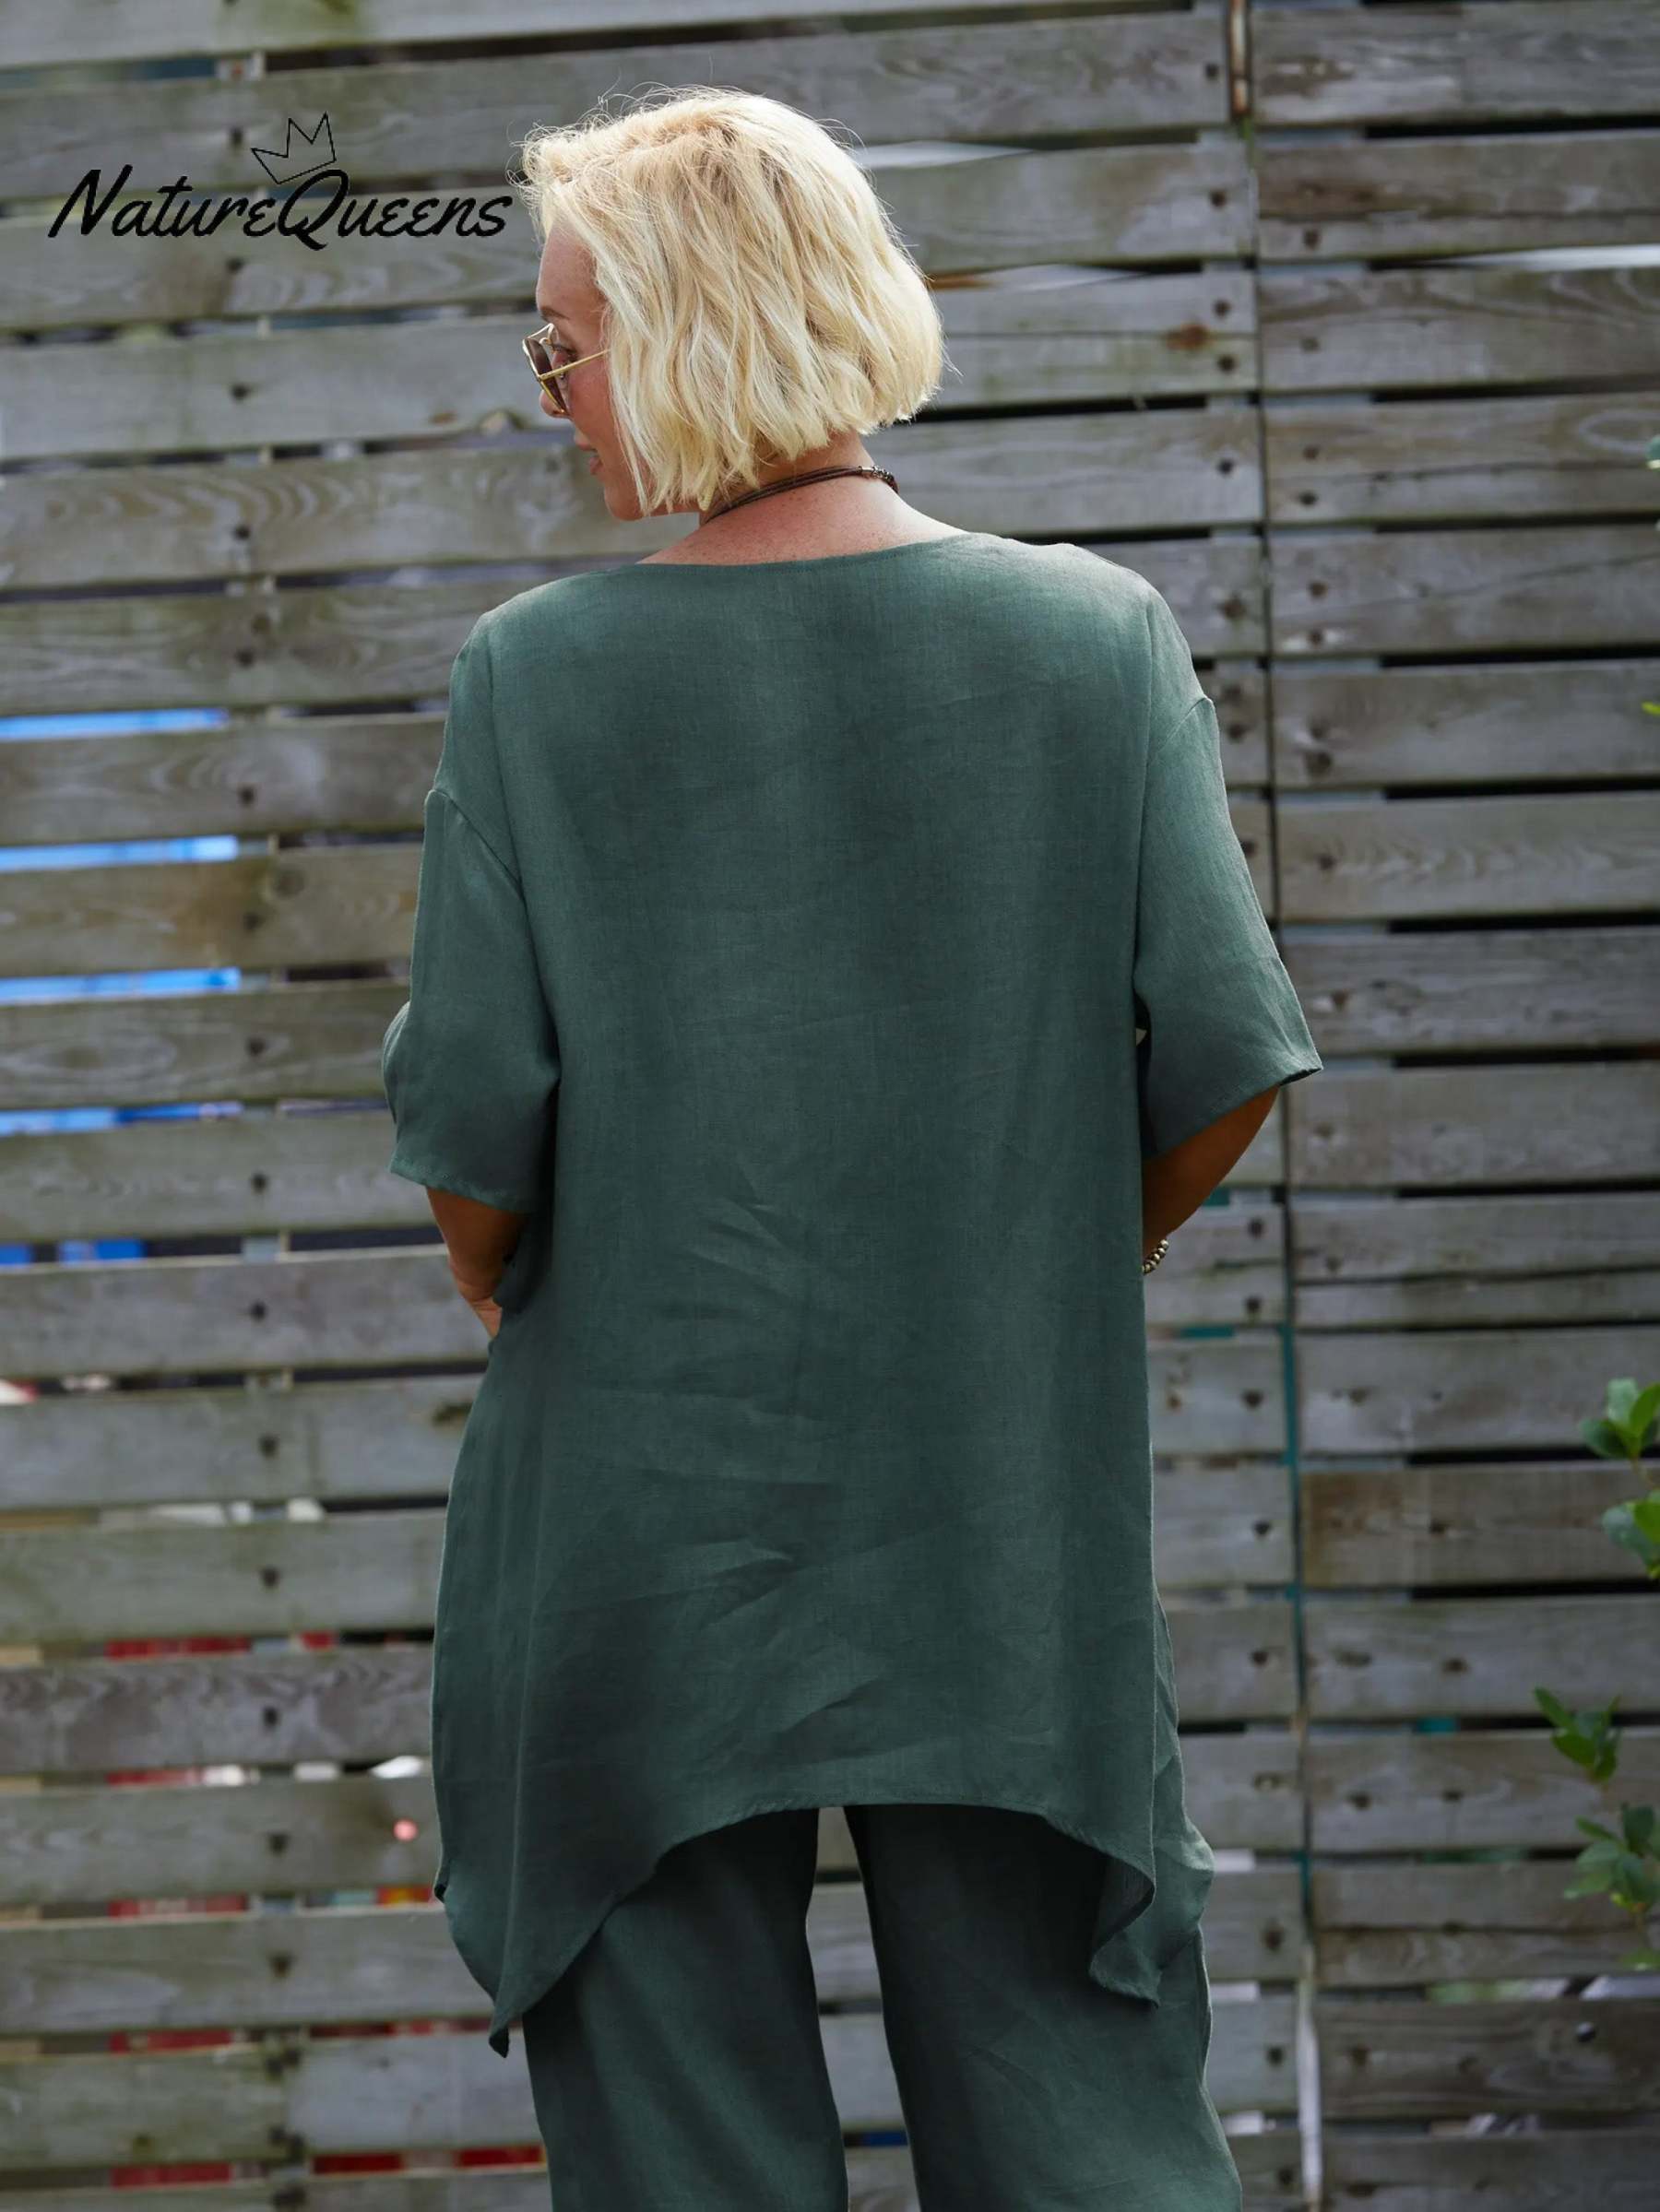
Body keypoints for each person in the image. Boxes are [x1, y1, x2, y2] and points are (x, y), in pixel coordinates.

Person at [381, 86, 1322, 2211]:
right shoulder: (1093, 646)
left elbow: (479, 1159)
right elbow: (1227, 1066)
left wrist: (548, 1279)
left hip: (633, 1538)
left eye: (564, 341)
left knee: (685, 2158)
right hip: (1000, 1524)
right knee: (1081, 2139)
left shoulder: (537, 683)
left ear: (685, 337)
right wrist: (1025, 1254)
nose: (554, 391)